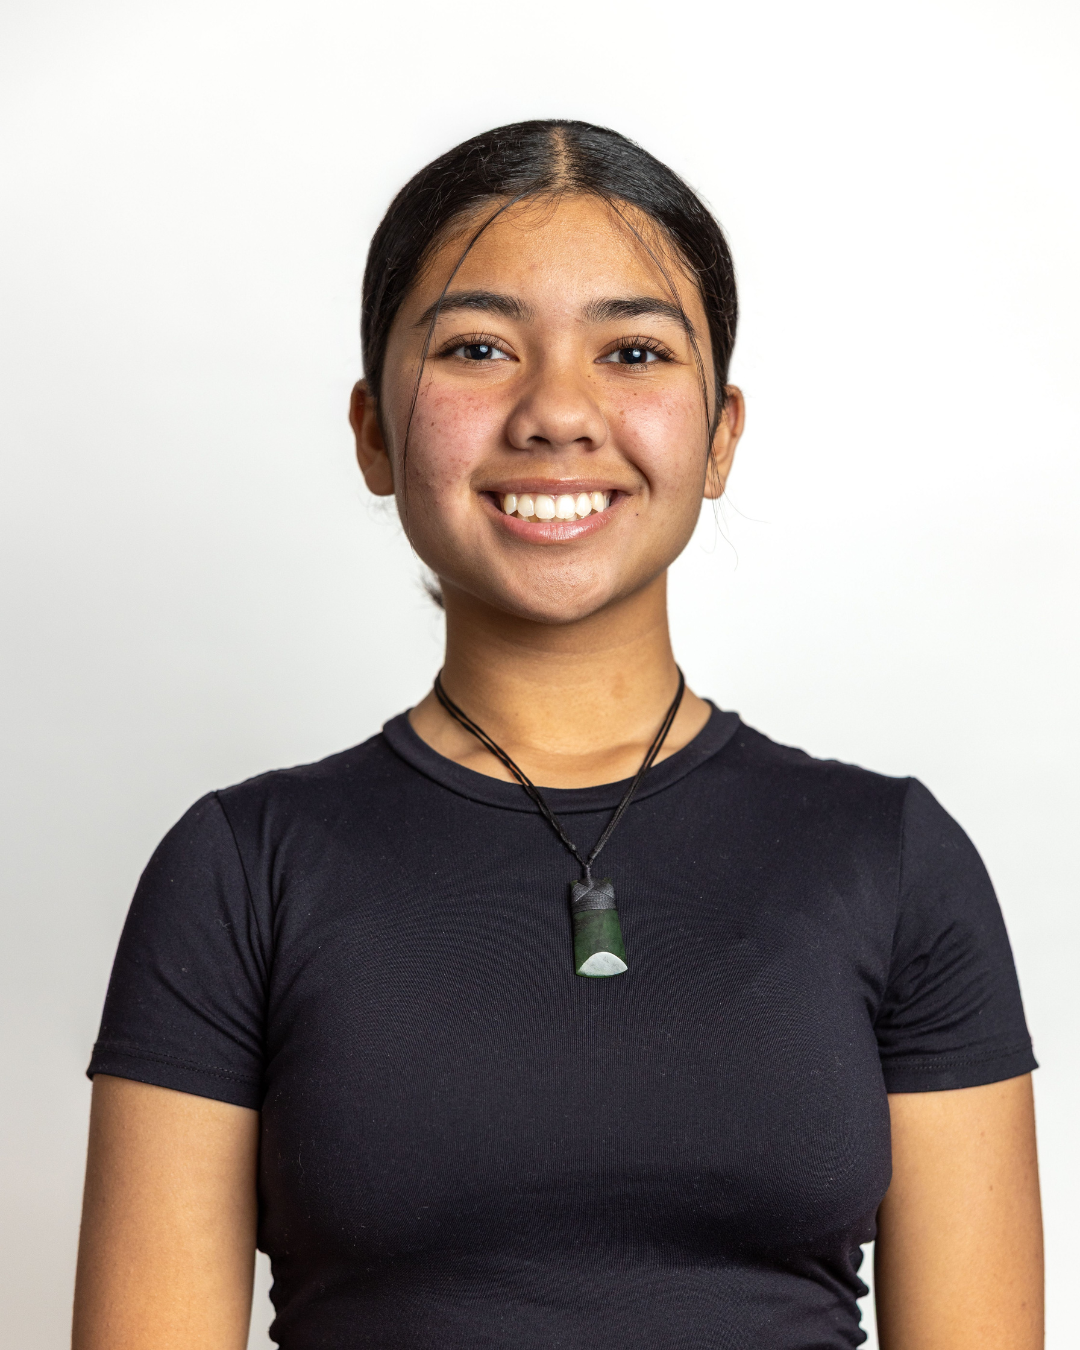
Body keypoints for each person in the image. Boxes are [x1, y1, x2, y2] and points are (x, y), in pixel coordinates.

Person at [72, 120, 1043, 1350]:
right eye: (479, 347)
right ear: (373, 430)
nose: (558, 413)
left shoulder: (895, 860)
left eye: (631, 350)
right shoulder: (240, 869)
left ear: (722, 434)